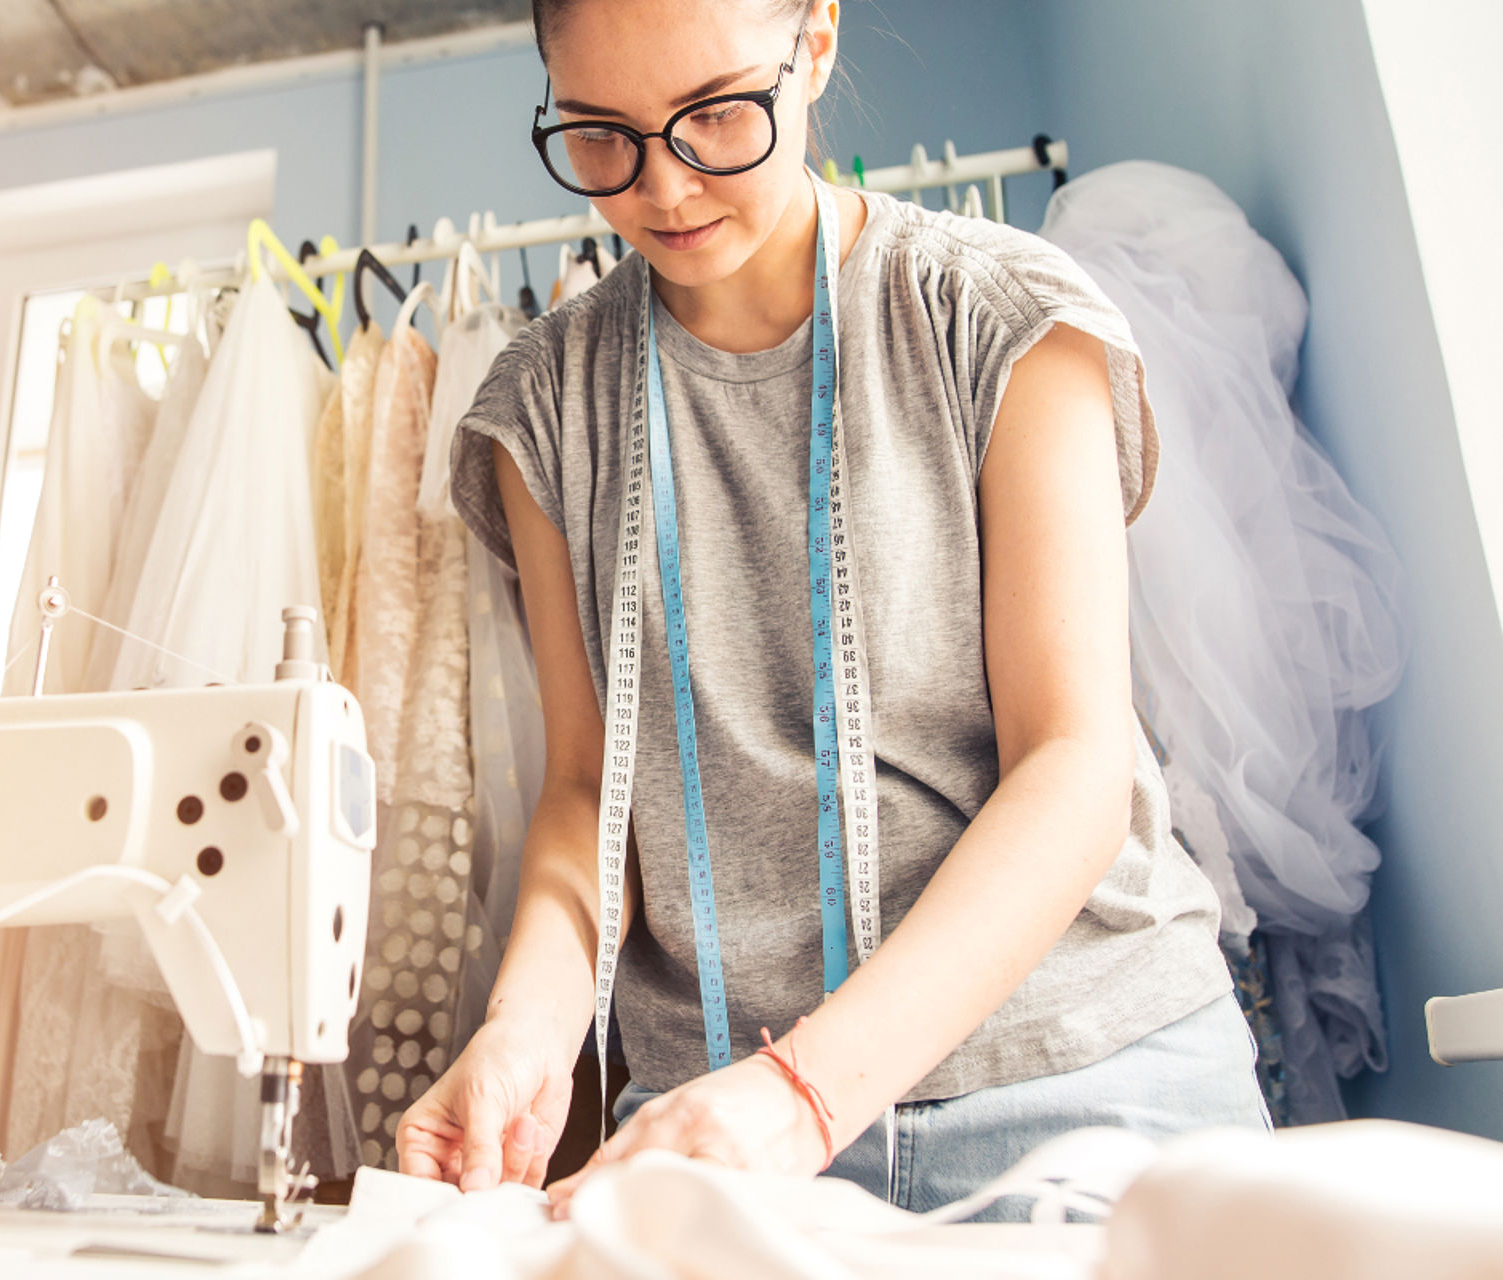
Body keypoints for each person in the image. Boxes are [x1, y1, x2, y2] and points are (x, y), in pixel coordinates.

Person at [406, 0, 1268, 1218]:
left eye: (715, 115)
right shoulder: (543, 406)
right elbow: (587, 794)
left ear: (814, 42)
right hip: (711, 1119)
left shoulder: (1001, 317)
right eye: (600, 135)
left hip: (1080, 1082)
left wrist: (805, 1093)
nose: (664, 186)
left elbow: (1073, 765)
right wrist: (528, 1030)